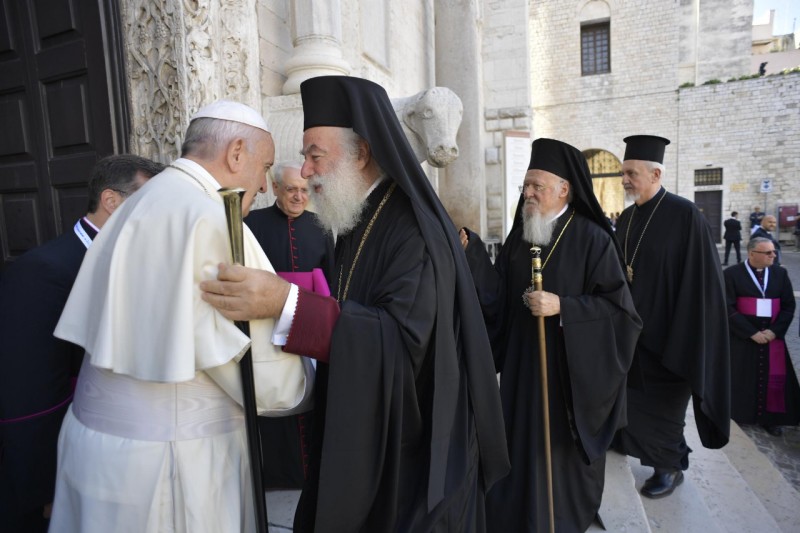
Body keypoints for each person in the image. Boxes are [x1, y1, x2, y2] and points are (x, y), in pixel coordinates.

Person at [200, 76, 510, 532]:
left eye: (314, 155)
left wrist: (286, 302)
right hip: (371, 431)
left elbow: (402, 341)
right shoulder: (354, 216)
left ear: (361, 153)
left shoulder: (412, 230)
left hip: (415, 453)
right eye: (305, 156)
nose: (304, 170)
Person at [48, 101, 313, 533]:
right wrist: (311, 377)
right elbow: (267, 382)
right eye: (264, 167)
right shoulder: (213, 217)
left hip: (94, 448)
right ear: (236, 153)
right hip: (170, 465)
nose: (264, 186)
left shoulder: (134, 202)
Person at [459, 138, 641, 532]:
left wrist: (566, 307)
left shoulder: (593, 239)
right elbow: (497, 295)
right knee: (519, 443)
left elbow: (622, 313)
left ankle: (564, 513)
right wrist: (472, 252)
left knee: (558, 455)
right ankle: (518, 510)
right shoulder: (521, 235)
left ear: (564, 189)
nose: (528, 193)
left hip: (568, 377)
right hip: (523, 369)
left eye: (537, 186)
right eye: (526, 185)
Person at [0, 155, 162, 533]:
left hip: (110, 458)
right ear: (111, 201)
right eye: (148, 201)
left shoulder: (136, 260)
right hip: (55, 470)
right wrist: (46, 484)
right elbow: (29, 396)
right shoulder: (44, 270)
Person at [612, 135, 730, 499]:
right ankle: (643, 447)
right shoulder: (628, 218)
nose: (625, 180)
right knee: (633, 402)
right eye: (623, 173)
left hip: (672, 336)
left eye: (632, 173)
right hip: (633, 334)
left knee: (664, 408)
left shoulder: (685, 215)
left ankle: (669, 466)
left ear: (656, 173)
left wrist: (684, 337)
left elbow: (703, 284)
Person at [244, 161, 334, 489]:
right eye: (292, 189)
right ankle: (278, 472)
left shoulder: (323, 225)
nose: (299, 196)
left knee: (311, 391)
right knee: (275, 391)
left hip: (311, 323)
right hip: (266, 325)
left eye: (304, 190)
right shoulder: (251, 223)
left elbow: (332, 276)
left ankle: (311, 471)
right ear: (276, 188)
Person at [725, 237, 800, 437]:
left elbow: (788, 306)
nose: (773, 255)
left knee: (773, 378)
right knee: (742, 377)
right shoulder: (731, 274)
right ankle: (740, 414)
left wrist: (774, 331)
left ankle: (771, 419)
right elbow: (727, 307)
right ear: (751, 254)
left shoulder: (780, 273)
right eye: (768, 253)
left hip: (772, 336)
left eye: (773, 252)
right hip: (743, 337)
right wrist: (751, 333)